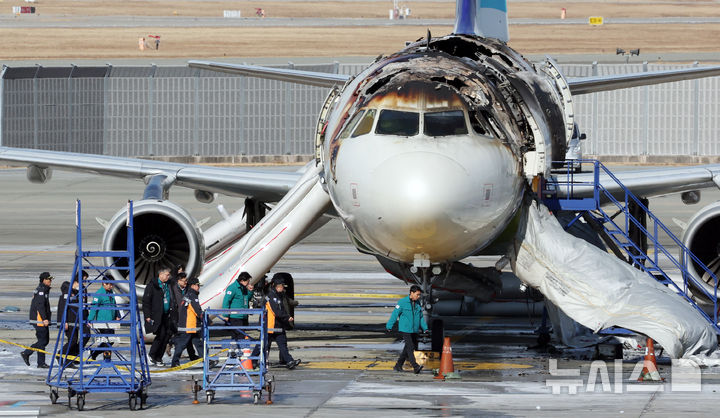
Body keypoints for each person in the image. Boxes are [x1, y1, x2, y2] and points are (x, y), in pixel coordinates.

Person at [171, 277, 216, 368]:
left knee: (199, 345)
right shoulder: (192, 296)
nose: (199, 287)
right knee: (182, 344)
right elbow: (197, 310)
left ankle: (207, 361)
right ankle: (174, 362)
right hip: (189, 326)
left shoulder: (188, 295)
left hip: (191, 326)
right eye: (198, 285)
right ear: (193, 285)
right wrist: (208, 320)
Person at [386, 284, 428, 374]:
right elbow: (395, 314)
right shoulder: (402, 302)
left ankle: (398, 365)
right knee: (410, 347)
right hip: (405, 329)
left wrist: (425, 328)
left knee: (407, 348)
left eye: (419, 295)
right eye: (417, 294)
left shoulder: (417, 303)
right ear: (411, 293)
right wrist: (389, 325)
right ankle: (415, 367)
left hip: (414, 329)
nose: (419, 296)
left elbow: (420, 317)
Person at [265, 274, 301, 369]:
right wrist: (287, 317)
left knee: (282, 344)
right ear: (276, 286)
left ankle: (289, 361)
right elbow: (276, 311)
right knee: (264, 345)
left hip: (278, 325)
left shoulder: (279, 295)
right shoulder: (271, 296)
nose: (283, 288)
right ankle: (254, 361)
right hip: (270, 325)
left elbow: (283, 307)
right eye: (281, 286)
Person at [57, 270, 90, 367]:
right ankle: (63, 356)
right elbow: (62, 308)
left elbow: (85, 305)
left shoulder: (83, 290)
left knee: (86, 335)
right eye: (83, 280)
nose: (84, 282)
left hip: (81, 319)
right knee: (73, 340)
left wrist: (87, 319)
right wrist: (64, 321)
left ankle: (74, 356)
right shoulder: (68, 291)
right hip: (70, 320)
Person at [142, 267, 174, 366]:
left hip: (167, 315)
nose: (169, 277)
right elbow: (146, 302)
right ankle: (152, 355)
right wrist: (147, 316)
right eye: (167, 275)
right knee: (160, 335)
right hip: (157, 315)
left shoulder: (168, 285)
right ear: (161, 275)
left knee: (167, 335)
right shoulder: (152, 286)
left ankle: (158, 357)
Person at [21, 272, 53, 368]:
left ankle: (30, 355)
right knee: (42, 341)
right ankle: (33, 357)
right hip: (39, 320)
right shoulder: (41, 291)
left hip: (41, 319)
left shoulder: (44, 290)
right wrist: (44, 319)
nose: (50, 281)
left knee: (44, 341)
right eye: (49, 279)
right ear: (44, 280)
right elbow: (40, 306)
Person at [88, 276, 119, 360]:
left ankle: (95, 352)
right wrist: (90, 319)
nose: (111, 286)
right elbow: (94, 308)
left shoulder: (110, 292)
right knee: (106, 342)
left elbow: (114, 304)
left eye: (112, 285)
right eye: (110, 285)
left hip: (111, 321)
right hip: (102, 322)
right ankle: (107, 359)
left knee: (111, 341)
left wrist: (117, 315)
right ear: (104, 284)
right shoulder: (99, 294)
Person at [169, 272, 198, 361]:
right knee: (184, 338)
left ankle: (192, 355)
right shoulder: (174, 289)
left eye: (186, 281)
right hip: (178, 316)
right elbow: (180, 304)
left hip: (185, 316)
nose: (186, 282)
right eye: (184, 281)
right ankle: (172, 343)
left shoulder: (186, 289)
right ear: (179, 281)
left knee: (189, 337)